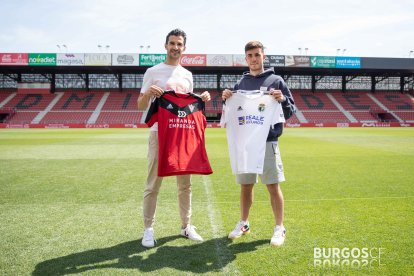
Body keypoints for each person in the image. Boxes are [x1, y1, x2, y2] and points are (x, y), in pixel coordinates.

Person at [137, 28, 211, 248]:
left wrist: (202, 98)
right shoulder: (153, 71)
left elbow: (188, 105)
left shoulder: (187, 75)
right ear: (165, 45)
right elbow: (141, 105)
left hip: (182, 136)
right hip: (158, 135)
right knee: (153, 183)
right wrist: (149, 93)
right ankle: (148, 229)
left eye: (179, 44)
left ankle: (186, 226)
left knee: (185, 185)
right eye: (172, 43)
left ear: (184, 48)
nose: (175, 47)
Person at [222, 41, 296, 246]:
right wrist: (226, 99)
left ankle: (279, 227)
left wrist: (282, 100)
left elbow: (290, 111)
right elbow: (235, 112)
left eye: (257, 55)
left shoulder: (276, 80)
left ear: (264, 56)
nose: (254, 59)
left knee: (272, 185)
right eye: (250, 56)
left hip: (268, 141)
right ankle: (244, 222)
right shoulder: (240, 84)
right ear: (245, 59)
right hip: (245, 143)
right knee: (245, 186)